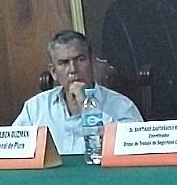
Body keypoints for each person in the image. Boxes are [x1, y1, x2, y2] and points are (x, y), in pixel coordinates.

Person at [13, 30, 142, 154]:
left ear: (92, 64)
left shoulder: (122, 106)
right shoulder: (35, 108)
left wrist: (88, 105)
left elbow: (136, 147)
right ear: (53, 72)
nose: (73, 69)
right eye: (64, 63)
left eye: (80, 60)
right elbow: (13, 149)